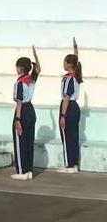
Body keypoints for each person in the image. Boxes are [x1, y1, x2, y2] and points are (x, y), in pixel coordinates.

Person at [11, 45, 41, 181]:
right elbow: (38, 69)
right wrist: (36, 57)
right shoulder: (31, 79)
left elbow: (19, 102)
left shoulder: (19, 83)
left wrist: (17, 119)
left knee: (20, 140)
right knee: (29, 141)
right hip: (31, 110)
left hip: (22, 111)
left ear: (20, 68)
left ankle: (22, 170)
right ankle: (29, 170)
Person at [58, 37, 83, 174]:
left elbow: (66, 98)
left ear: (68, 64)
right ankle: (73, 164)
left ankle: (69, 165)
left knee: (67, 135)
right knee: (73, 136)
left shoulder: (69, 78)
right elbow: (76, 61)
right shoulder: (76, 74)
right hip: (75, 107)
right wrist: (75, 49)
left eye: (65, 62)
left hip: (68, 107)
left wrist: (62, 115)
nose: (63, 64)